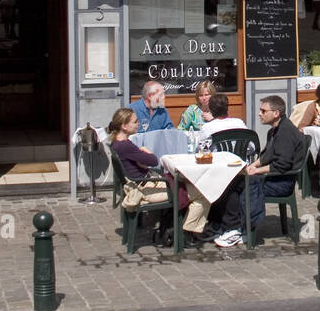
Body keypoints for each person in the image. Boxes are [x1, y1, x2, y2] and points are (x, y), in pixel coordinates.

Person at [212, 96, 305, 248]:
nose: (260, 114)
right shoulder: (274, 131)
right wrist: (251, 166)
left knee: (242, 184)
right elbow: (266, 156)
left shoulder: (285, 132)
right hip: (273, 177)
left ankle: (242, 229)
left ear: (276, 113)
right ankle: (232, 226)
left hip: (281, 182)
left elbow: (282, 165)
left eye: (263, 110)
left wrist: (256, 171)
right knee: (231, 180)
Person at [108, 107, 202, 246]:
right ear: (124, 126)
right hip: (146, 188)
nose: (137, 124)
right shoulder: (126, 146)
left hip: (138, 184)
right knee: (200, 193)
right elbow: (153, 161)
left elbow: (142, 163)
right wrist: (146, 151)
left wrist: (141, 160)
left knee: (182, 184)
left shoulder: (116, 144)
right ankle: (185, 233)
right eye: (134, 122)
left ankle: (179, 229)